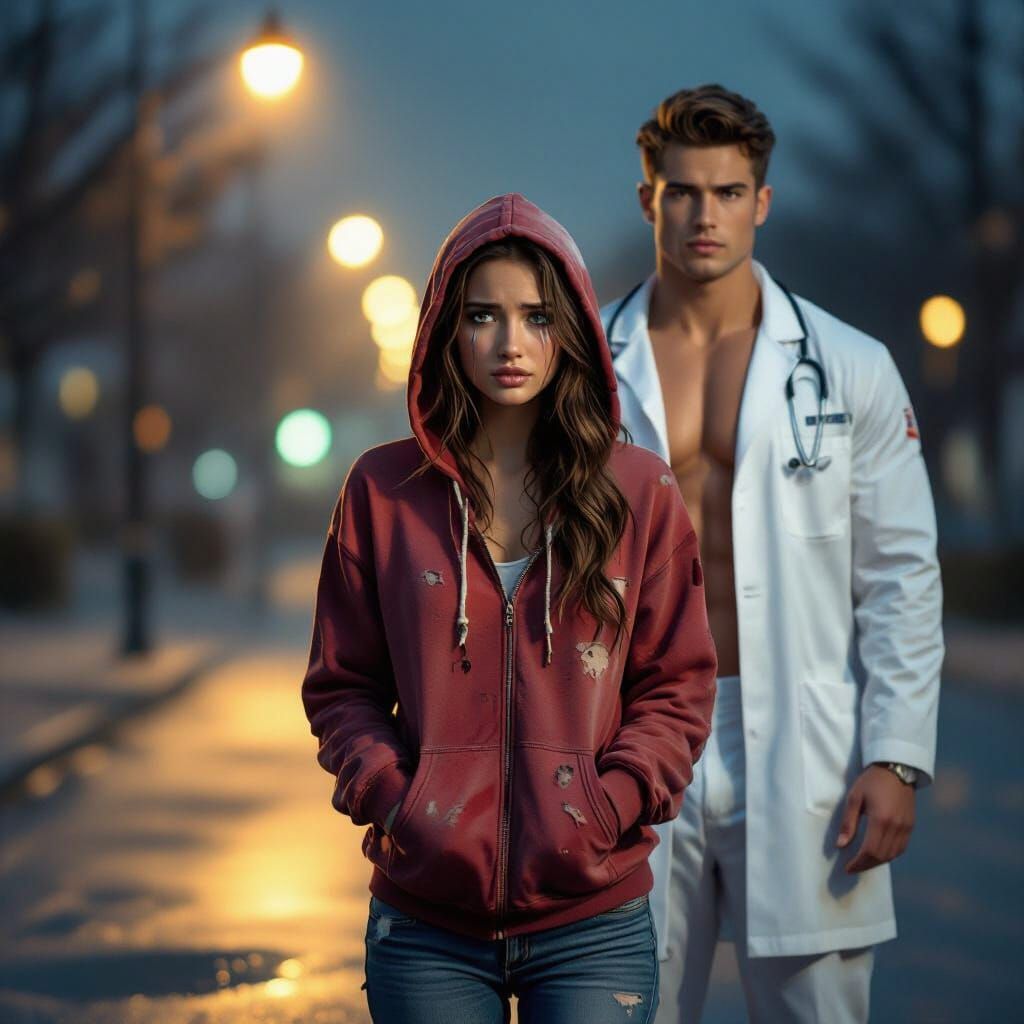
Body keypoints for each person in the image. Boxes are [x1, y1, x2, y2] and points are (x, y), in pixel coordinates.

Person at [302, 192, 718, 1024]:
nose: (510, 343)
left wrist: (610, 804)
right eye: (483, 315)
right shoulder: (382, 492)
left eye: (535, 316)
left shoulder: (639, 493)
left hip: (594, 920)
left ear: (570, 332)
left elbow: (678, 686)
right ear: (445, 332)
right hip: (427, 923)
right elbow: (340, 688)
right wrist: (399, 800)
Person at [601, 85, 944, 1023]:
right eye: (681, 192)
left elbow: (901, 575)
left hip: (802, 746)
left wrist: (899, 757)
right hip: (626, 732)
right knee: (623, 998)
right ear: (648, 200)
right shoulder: (585, 368)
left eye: (726, 191)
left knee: (815, 1009)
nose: (703, 214)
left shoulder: (850, 364)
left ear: (763, 200)